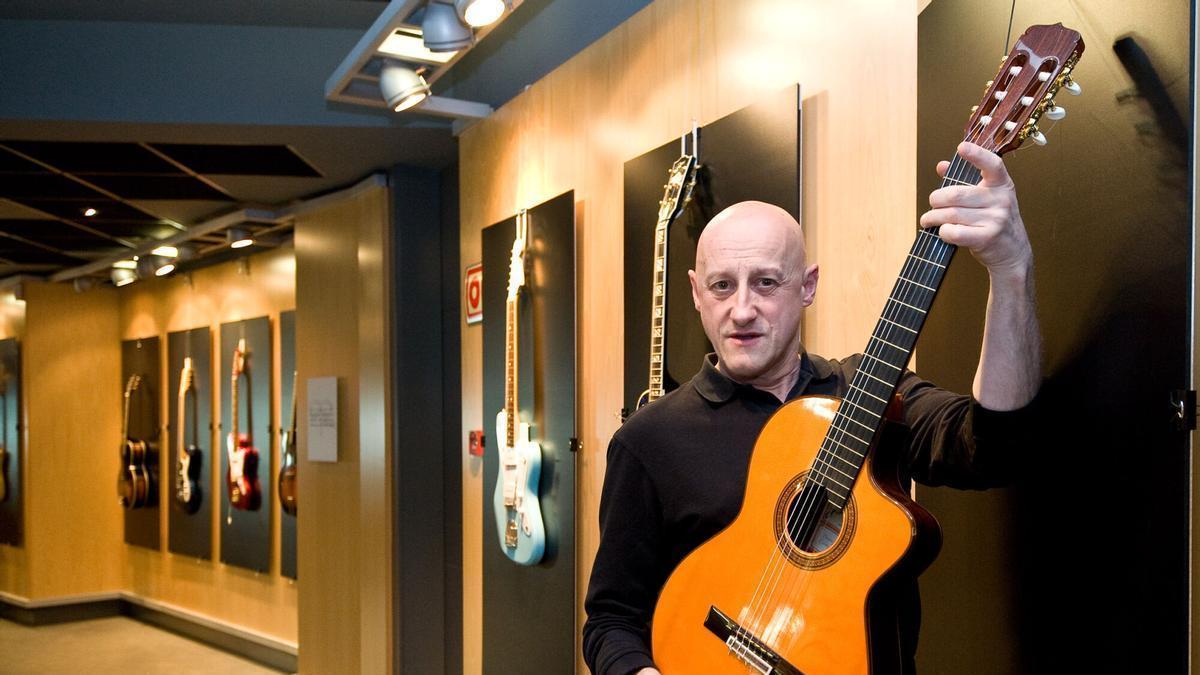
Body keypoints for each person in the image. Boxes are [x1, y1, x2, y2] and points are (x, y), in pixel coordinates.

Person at [582, 141, 1042, 675]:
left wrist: (1011, 269)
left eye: (766, 282)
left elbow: (995, 446)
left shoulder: (874, 397)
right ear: (696, 293)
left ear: (807, 286)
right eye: (722, 285)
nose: (742, 310)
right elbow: (611, 620)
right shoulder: (648, 440)